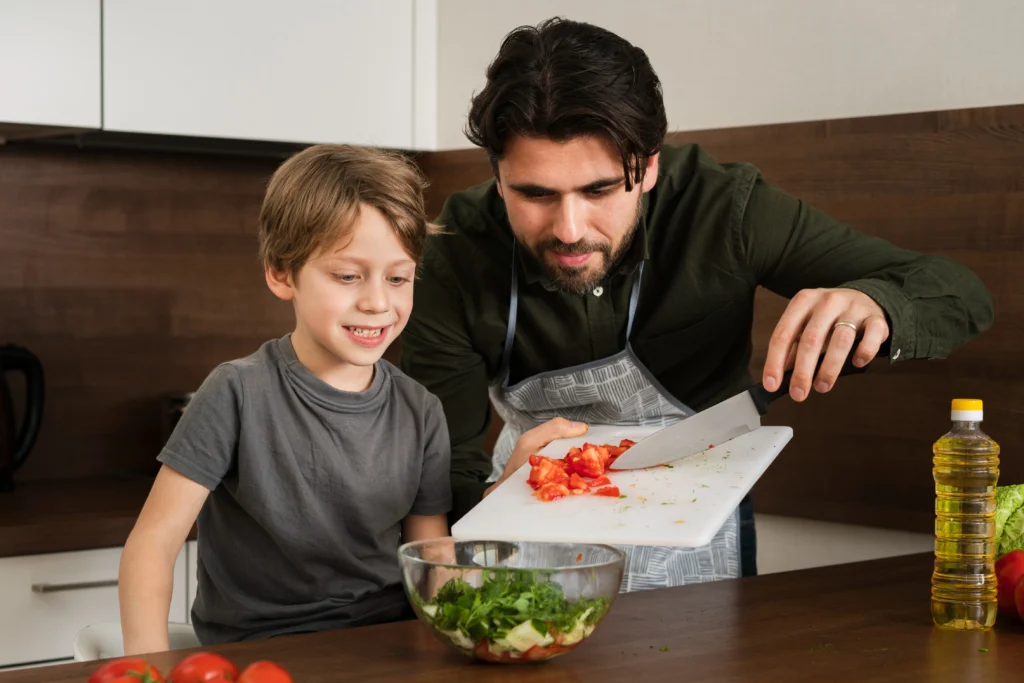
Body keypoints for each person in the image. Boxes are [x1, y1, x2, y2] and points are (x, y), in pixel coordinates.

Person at [399, 17, 993, 589]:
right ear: (498, 176)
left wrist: (877, 302)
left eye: (600, 189)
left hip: (699, 515)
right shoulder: (453, 251)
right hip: (529, 508)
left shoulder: (724, 209)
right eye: (535, 194)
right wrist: (488, 503)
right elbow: (446, 457)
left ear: (649, 164)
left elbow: (959, 292)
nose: (570, 228)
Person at [118, 144, 452, 652]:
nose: (378, 302)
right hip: (257, 651)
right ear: (281, 272)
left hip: (390, 646)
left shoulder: (422, 410)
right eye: (347, 275)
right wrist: (148, 668)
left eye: (398, 278)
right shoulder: (235, 392)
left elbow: (432, 557)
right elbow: (153, 545)